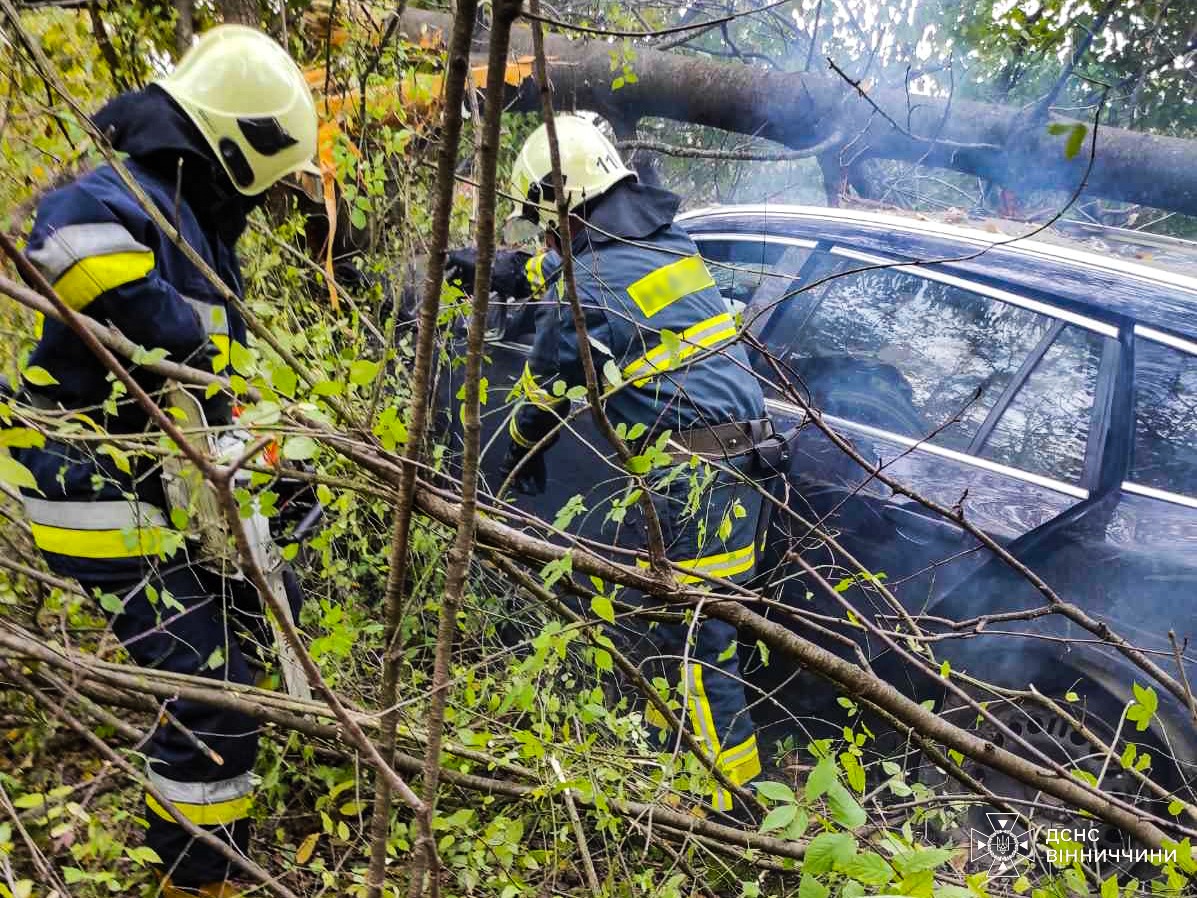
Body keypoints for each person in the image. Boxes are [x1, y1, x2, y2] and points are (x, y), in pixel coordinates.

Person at [13, 25, 318, 897]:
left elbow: (219, 401)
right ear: (237, 145)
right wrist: (179, 342)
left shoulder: (197, 234)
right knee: (213, 676)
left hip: (160, 490)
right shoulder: (128, 198)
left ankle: (217, 832)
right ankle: (194, 879)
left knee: (265, 615)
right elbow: (59, 241)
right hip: (93, 487)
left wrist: (282, 476)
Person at [460, 115, 773, 816]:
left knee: (695, 644)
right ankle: (688, 779)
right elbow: (596, 268)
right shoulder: (670, 241)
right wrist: (509, 267)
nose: (542, 242)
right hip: (741, 467)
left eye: (542, 228)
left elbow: (545, 390)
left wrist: (518, 453)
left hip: (697, 480)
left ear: (557, 205)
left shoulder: (585, 286)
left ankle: (730, 816)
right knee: (684, 633)